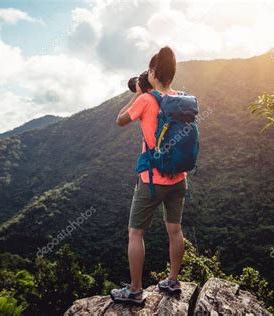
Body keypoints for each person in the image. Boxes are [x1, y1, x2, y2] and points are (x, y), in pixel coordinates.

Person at [111, 46, 187, 304]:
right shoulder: (182, 98)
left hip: (152, 180)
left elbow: (120, 120)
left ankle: (134, 290)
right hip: (179, 177)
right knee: (175, 230)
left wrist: (139, 94)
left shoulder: (146, 99)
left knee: (136, 233)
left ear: (153, 72)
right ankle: (173, 281)